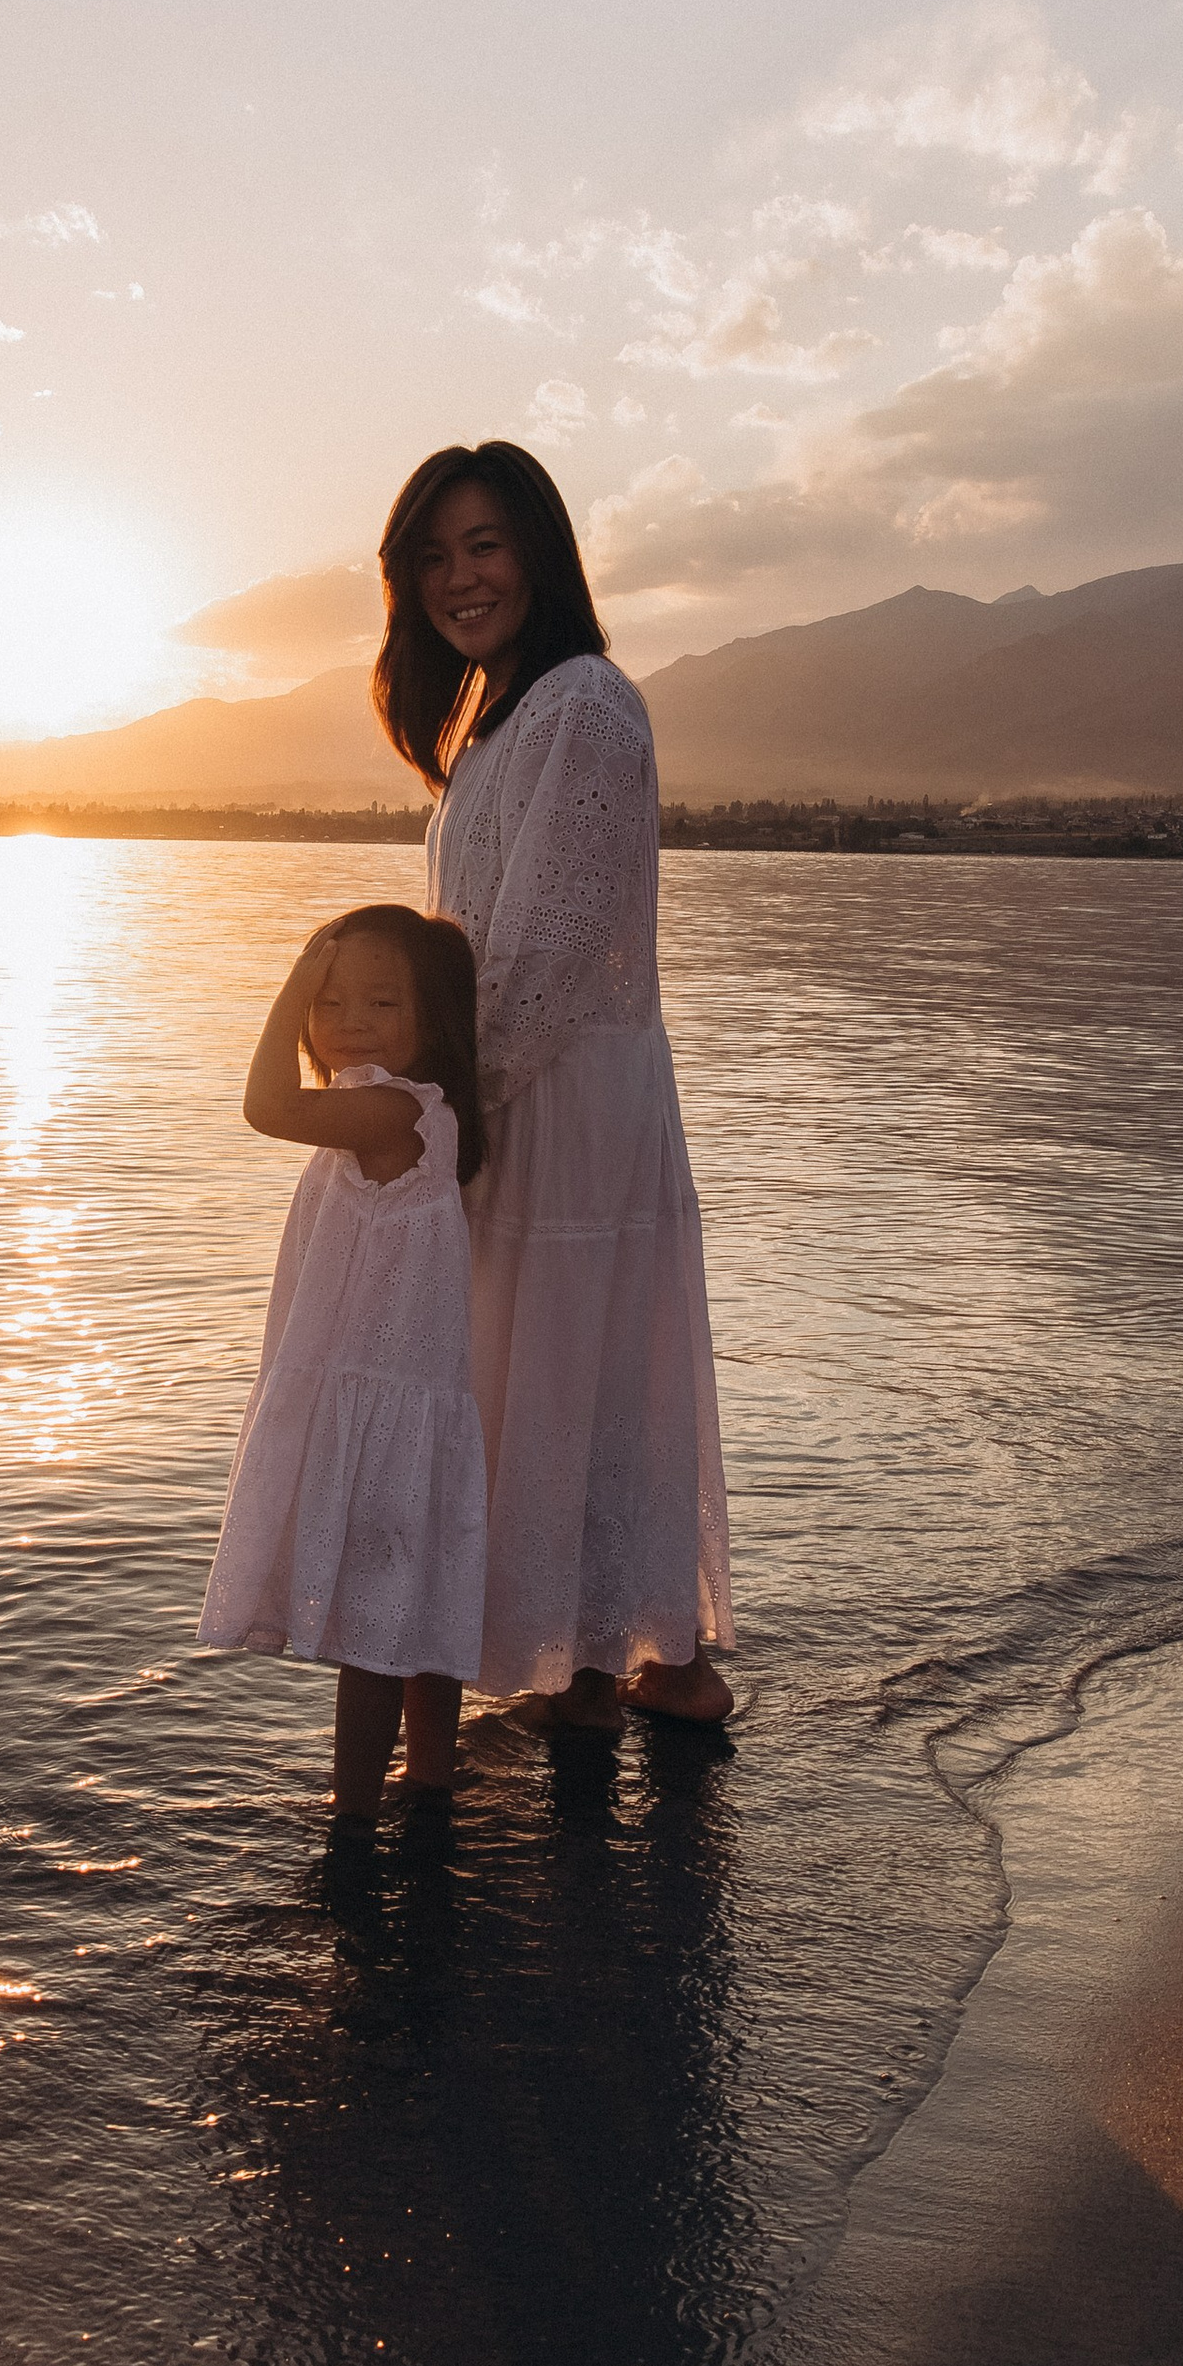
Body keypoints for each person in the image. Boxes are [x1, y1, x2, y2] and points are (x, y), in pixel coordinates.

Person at [373, 440, 736, 1733]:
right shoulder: (496, 720)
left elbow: (544, 946)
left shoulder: (584, 703)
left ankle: (619, 1671)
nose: (459, 578)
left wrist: (441, 1117)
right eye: (432, 557)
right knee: (560, 1365)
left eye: (485, 545)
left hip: (564, 1097)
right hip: (526, 1087)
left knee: (583, 1364)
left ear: (539, 553)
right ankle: (609, 1661)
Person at [198, 904, 489, 1821]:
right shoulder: (410, 1111)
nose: (350, 1022)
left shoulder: (392, 1111)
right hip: (407, 1399)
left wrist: (290, 989)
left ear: (432, 1019)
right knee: (416, 1601)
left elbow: (266, 1107)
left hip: (384, 1399)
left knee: (373, 1625)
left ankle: (353, 1818)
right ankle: (429, 1777)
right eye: (330, 1003)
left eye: (381, 1002)